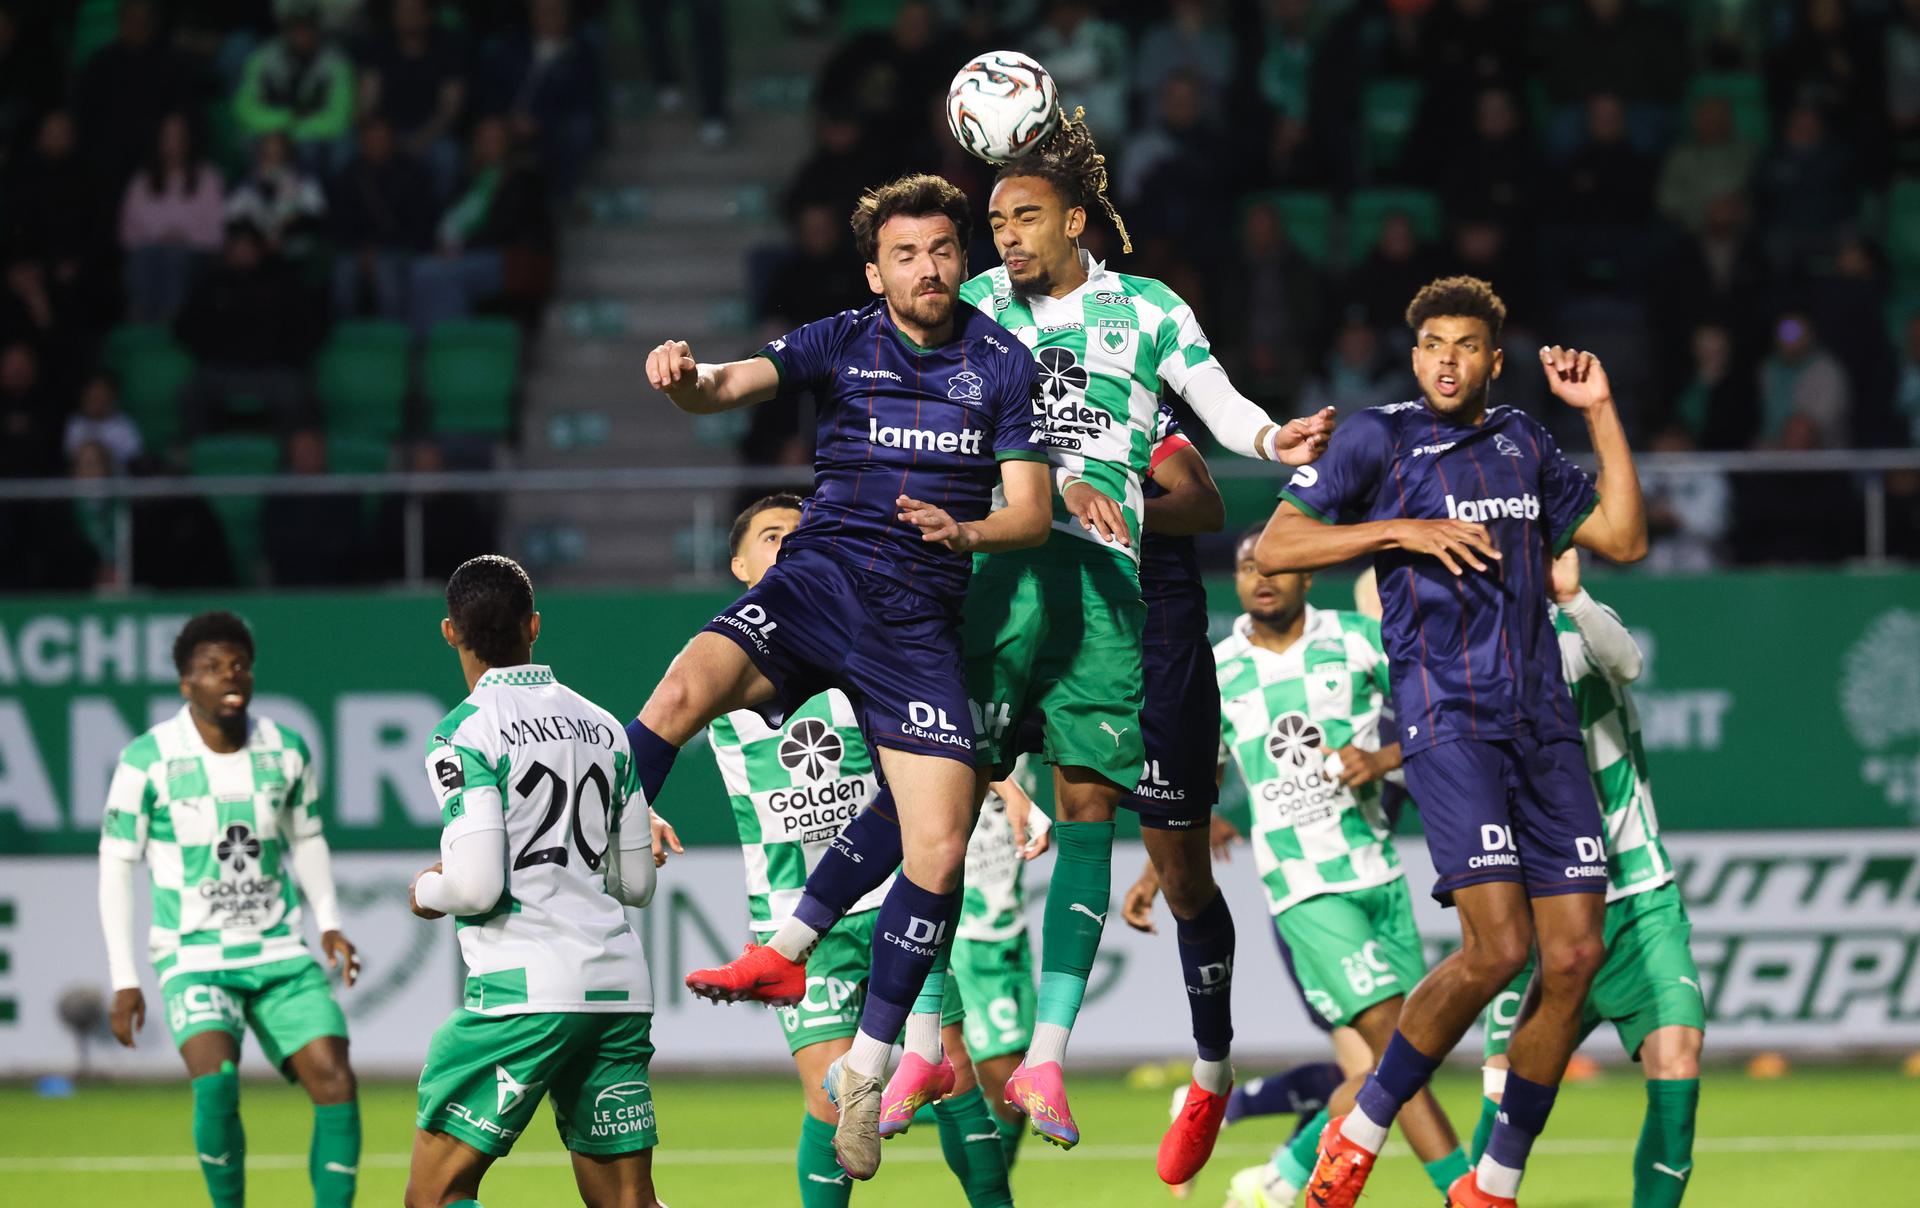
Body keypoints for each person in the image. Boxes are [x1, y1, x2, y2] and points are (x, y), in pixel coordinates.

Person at [697, 116, 1333, 1180]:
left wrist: (1270, 439)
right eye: (988, 222)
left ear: (1074, 219)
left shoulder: (1144, 310)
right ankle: (858, 997)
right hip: (989, 571)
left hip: (1117, 590)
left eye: (1020, 218)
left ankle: (1121, 1061)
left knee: (1135, 837)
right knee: (936, 792)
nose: (999, 242)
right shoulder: (976, 307)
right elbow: (900, 370)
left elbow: (1217, 418)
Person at [628, 172, 1053, 1180]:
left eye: (944, 250)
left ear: (964, 258)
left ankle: (868, 1066)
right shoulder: (842, 337)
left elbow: (1030, 513)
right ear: (877, 270)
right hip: (819, 581)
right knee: (683, 688)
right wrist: (683, 377)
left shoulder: (1003, 364)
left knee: (939, 844)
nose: (928, 268)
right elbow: (726, 385)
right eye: (906, 255)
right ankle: (607, 840)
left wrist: (968, 526)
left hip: (916, 621)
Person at [1259, 274, 1648, 1208]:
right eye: (1432, 342)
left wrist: (1599, 412)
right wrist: (1400, 530)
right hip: (1449, 719)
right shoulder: (1377, 437)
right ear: (1415, 350)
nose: (1445, 359)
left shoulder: (1522, 442)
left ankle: (1493, 1186)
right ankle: (1357, 1134)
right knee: (1497, 948)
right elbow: (1276, 543)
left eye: (1464, 345)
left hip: (1543, 725)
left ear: (1493, 360)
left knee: (1574, 959)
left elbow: (1626, 538)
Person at [696, 494, 1016, 1208]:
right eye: (772, 536)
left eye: (803, 535)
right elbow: (650, 735)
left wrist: (1012, 793)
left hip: (895, 895)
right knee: (828, 1094)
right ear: (740, 563)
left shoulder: (868, 643)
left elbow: (944, 753)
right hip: (793, 914)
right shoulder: (724, 663)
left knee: (952, 1069)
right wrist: (641, 812)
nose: (789, 546)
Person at [1180, 529, 1469, 1207]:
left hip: (1380, 875)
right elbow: (1196, 781)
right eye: (1249, 567)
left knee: (1387, 1068)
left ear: (1308, 575)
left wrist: (1383, 759)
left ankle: (1279, 1180)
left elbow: (1439, 709)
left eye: (1277, 564)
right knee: (1400, 1049)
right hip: (1305, 889)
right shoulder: (1217, 670)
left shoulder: (1358, 639)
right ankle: (1469, 1194)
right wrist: (1162, 864)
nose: (1262, 576)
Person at [406, 555, 664, 1208]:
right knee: (629, 1205)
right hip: (617, 986)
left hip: (525, 991)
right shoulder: (607, 727)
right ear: (534, 626)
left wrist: (426, 891)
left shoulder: (463, 733)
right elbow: (636, 882)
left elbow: (476, 888)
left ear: (449, 633)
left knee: (434, 1196)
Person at [97, 611, 362, 1208]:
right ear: (186, 684)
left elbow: (308, 839)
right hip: (194, 957)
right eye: (212, 668)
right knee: (216, 1087)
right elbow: (116, 865)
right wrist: (124, 979)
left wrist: (328, 922)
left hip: (278, 954)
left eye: (238, 664)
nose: (230, 675)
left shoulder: (286, 750)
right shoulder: (148, 760)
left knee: (335, 1078)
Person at [1471, 548, 1704, 1208]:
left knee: (1678, 1060)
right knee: (1502, 1097)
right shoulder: (1462, 660)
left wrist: (1572, 597)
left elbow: (1628, 664)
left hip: (1636, 900)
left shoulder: (1572, 633)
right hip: (1541, 913)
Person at [120, 112, 227, 321]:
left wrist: (183, 239)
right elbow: (127, 232)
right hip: (150, 253)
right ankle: (140, 320)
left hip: (194, 254)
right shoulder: (141, 181)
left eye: (178, 135)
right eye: (167, 135)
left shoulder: (209, 178)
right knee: (146, 256)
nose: (173, 142)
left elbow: (217, 232)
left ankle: (171, 322)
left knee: (174, 256)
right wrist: (159, 239)